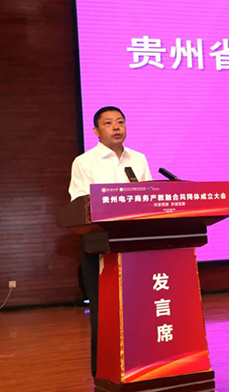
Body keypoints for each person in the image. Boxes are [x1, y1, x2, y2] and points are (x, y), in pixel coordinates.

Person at [68, 106, 152, 376]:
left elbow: (149, 197)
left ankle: (141, 365)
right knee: (104, 310)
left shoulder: (138, 159)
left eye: (120, 122)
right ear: (96, 130)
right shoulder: (84, 162)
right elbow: (79, 202)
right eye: (108, 123)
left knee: (139, 308)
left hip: (135, 244)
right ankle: (104, 371)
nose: (116, 127)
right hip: (99, 244)